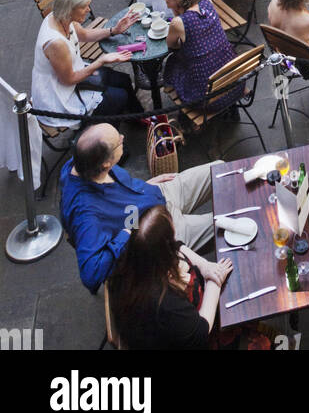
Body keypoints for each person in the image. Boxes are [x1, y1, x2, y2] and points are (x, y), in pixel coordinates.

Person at [60, 122, 222, 293]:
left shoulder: (80, 162)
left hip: (155, 193)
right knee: (227, 222)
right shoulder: (86, 214)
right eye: (118, 141)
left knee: (220, 170)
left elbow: (117, 195)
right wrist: (126, 233)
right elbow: (90, 275)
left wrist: (141, 187)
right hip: (158, 230)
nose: (122, 138)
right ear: (106, 164)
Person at [108, 205, 234, 350]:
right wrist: (214, 282)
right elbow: (201, 332)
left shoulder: (133, 256)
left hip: (163, 327)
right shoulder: (165, 302)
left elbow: (176, 245)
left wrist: (205, 265)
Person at [31, 0, 140, 129]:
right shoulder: (56, 44)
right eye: (84, 7)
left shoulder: (63, 17)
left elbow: (84, 35)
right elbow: (69, 80)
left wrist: (114, 30)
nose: (89, 9)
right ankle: (105, 140)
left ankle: (138, 118)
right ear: (70, 8)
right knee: (118, 97)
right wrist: (101, 61)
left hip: (73, 72)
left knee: (124, 80)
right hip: (59, 95)